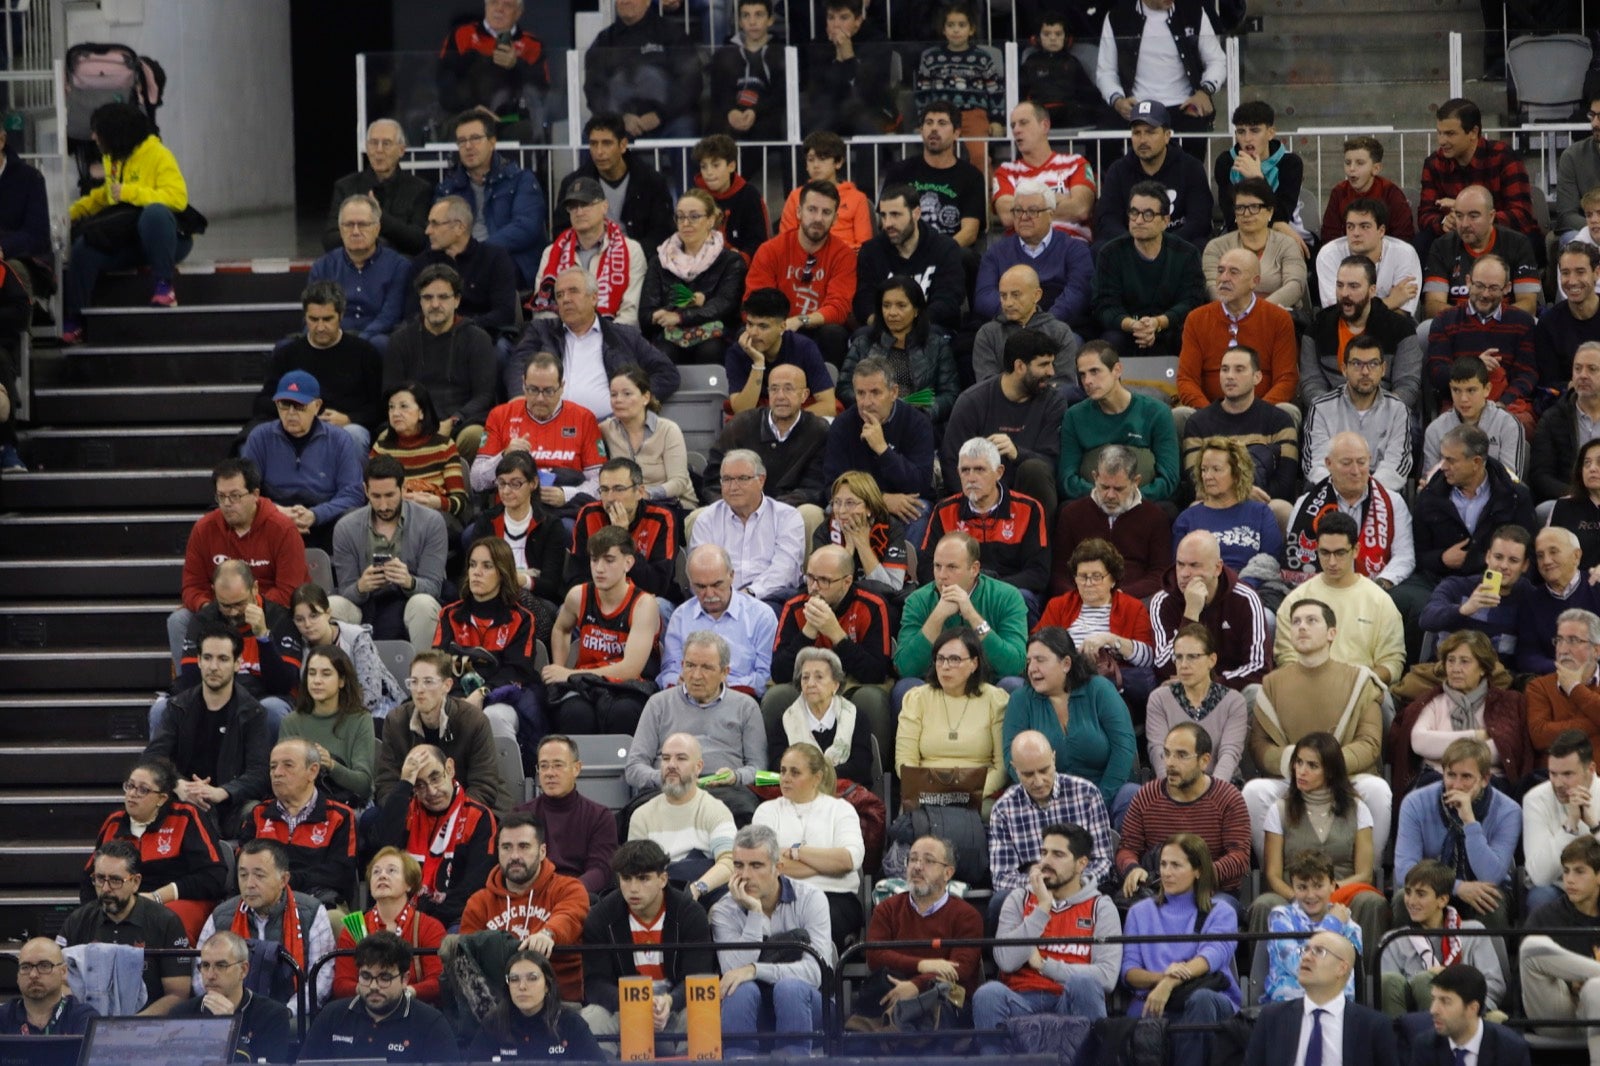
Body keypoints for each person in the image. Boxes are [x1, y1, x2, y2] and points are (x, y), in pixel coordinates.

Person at [1246, 601, 1390, 857]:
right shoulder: (1272, 683)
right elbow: (1259, 746)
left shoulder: (1359, 680)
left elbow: (1370, 743)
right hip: (1292, 778)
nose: (1302, 627)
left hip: (1345, 777)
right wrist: (1300, 767)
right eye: (1296, 622)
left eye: (1311, 621)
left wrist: (1325, 766)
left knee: (1378, 790)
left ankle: (1368, 878)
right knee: (1254, 792)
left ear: (1332, 633)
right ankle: (1273, 879)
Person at [972, 822, 1124, 1043]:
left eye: (1058, 854)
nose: (1045, 861)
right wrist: (1043, 907)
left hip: (1068, 1001)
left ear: (1081, 863)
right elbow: (1006, 961)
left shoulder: (1101, 907)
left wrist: (1045, 965)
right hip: (1020, 1002)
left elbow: (1107, 977)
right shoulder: (1018, 899)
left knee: (1084, 984)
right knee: (988, 994)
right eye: (1044, 852)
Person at [61, 102, 193, 344]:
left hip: (166, 239)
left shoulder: (157, 154)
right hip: (129, 240)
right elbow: (105, 195)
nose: (93, 136)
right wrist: (71, 213)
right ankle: (75, 320)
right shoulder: (113, 157)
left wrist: (132, 192)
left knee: (154, 214)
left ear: (115, 131)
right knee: (84, 248)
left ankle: (164, 286)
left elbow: (177, 198)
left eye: (97, 130)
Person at [171, 458, 309, 670]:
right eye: (221, 497)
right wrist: (213, 609)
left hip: (270, 612)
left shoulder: (283, 530)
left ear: (255, 495)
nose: (227, 503)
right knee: (179, 619)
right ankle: (187, 691)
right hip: (219, 610)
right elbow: (192, 587)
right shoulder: (203, 529)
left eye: (235, 496)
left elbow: (288, 591)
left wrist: (246, 607)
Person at [710, 823, 834, 1057]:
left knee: (790, 988)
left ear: (778, 867)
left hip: (806, 1007)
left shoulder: (811, 899)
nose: (745, 875)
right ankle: (738, 1059)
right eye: (739, 865)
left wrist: (755, 969)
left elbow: (815, 972)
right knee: (740, 990)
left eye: (756, 865)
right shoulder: (723, 910)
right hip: (750, 1008)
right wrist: (754, 914)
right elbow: (732, 974)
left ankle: (795, 1059)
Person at [578, 838, 715, 1047]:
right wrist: (634, 1002)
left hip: (676, 1006)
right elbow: (595, 982)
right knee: (591, 1017)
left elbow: (698, 975)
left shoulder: (690, 913)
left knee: (701, 1009)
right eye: (626, 878)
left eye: (643, 879)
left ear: (663, 879)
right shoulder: (601, 916)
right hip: (623, 1007)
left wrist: (670, 1001)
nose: (633, 889)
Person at [1119, 835, 1239, 1066]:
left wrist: (1170, 982)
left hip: (1209, 999)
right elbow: (1128, 972)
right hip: (1152, 1000)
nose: (1166, 872)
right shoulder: (1139, 912)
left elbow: (1211, 957)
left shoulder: (1221, 911)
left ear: (1198, 871)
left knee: (1201, 1000)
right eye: (1163, 864)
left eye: (1176, 865)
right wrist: (1162, 979)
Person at [625, 632, 768, 825]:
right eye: (690, 665)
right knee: (636, 815)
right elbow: (634, 767)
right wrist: (668, 775)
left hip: (724, 790)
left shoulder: (746, 706)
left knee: (746, 811)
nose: (696, 675)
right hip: (667, 787)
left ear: (725, 672)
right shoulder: (658, 704)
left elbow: (759, 769)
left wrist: (736, 777)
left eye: (707, 668)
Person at [145, 624, 273, 838]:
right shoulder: (178, 706)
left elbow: (259, 773)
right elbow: (152, 757)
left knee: (256, 814)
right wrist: (179, 785)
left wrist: (221, 792)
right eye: (207, 658)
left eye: (223, 659)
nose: (213, 666)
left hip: (232, 805)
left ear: (237, 663)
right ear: (198, 660)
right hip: (185, 801)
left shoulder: (253, 712)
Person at [83, 757, 227, 944]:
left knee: (164, 922)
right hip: (123, 901)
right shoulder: (114, 822)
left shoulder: (185, 816)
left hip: (180, 900)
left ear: (162, 798)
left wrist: (157, 897)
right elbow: (88, 879)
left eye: (143, 789)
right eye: (130, 786)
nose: (132, 794)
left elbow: (213, 876)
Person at [855, 833, 983, 1030]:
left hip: (942, 1002)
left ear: (948, 873)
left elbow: (960, 969)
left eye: (928, 861)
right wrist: (923, 964)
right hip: (892, 995)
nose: (917, 866)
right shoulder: (887, 908)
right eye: (913, 859)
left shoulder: (967, 915)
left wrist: (916, 986)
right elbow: (875, 955)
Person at [515, 267, 679, 419]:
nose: (565, 299)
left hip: (609, 430)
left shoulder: (624, 336)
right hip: (551, 428)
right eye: (559, 295)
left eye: (573, 291)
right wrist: (521, 398)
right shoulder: (541, 331)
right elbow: (516, 365)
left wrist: (636, 401)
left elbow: (667, 373)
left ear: (594, 297)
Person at [460, 813, 591, 1002]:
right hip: (501, 1007)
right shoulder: (478, 902)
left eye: (524, 846)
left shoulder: (568, 888)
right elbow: (468, 957)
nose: (514, 856)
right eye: (506, 847)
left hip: (561, 1003)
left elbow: (569, 916)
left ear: (543, 851)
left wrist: (548, 934)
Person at [1005, 628, 1137, 815]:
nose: (1032, 668)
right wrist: (1047, 799)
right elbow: (1011, 757)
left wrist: (1098, 802)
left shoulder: (1099, 689)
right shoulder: (1021, 700)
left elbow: (1124, 749)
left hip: (1105, 795)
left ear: (1066, 663)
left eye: (1040, 660)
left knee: (1131, 794)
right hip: (1044, 800)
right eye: (1029, 661)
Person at [544, 525, 661, 734]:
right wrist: (559, 668)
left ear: (628, 562)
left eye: (608, 560)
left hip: (627, 687)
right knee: (575, 713)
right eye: (594, 559)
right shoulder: (578, 595)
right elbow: (561, 629)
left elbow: (630, 670)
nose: (599, 568)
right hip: (584, 685)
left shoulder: (644, 604)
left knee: (623, 713)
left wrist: (569, 674)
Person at [193, 838, 334, 1011]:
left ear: (283, 879)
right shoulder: (221, 916)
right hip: (230, 1012)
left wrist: (286, 1013)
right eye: (243, 875)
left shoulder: (311, 912)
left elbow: (320, 979)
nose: (249, 884)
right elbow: (201, 975)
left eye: (259, 875)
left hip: (292, 1017)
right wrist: (228, 1008)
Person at [1393, 738, 1519, 929]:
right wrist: (1457, 887)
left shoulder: (1508, 811)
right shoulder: (1415, 803)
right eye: (1451, 775)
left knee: (1491, 902)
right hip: (1432, 888)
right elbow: (1405, 870)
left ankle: (1489, 959)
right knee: (1405, 898)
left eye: (1466, 777)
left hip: (1483, 888)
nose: (1457, 785)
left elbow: (1491, 875)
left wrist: (1469, 821)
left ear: (1485, 779)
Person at [1117, 723, 1251, 899]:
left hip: (1212, 892)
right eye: (1167, 754)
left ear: (1204, 761)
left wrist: (1196, 876)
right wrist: (1133, 868)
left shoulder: (1228, 798)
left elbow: (1239, 857)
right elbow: (1127, 849)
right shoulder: (1147, 795)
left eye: (1181, 755)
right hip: (1160, 890)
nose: (1170, 763)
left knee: (1221, 910)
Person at [920, 437, 1051, 617]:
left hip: (1008, 591)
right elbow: (926, 567)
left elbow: (1038, 573)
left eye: (979, 469)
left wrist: (987, 589)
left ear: (999, 472)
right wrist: (962, 590)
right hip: (957, 590)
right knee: (919, 599)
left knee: (1021, 598)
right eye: (965, 470)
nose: (971, 478)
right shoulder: (944, 510)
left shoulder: (1029, 509)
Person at [328, 456, 447, 651]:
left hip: (410, 601)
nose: (383, 505)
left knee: (424, 604)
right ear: (366, 491)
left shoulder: (430, 522)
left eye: (390, 495)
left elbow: (434, 588)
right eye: (376, 496)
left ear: (403, 488)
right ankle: (343, 677)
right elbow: (345, 591)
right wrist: (361, 586)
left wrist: (409, 581)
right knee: (331, 606)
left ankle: (422, 675)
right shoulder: (346, 528)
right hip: (366, 605)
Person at [371, 744, 497, 929]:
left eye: (435, 778)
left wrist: (427, 924)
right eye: (419, 785)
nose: (431, 791)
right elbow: (383, 852)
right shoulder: (404, 812)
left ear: (450, 768)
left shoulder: (478, 817)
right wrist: (404, 783)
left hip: (454, 918)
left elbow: (474, 888)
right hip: (402, 916)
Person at [752, 742, 866, 948]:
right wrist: (824, 864)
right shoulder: (766, 811)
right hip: (780, 898)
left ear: (817, 778)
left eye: (795, 773)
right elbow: (763, 865)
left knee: (811, 931)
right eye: (783, 771)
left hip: (835, 899)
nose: (785, 778)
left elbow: (848, 860)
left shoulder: (841, 809)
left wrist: (796, 852)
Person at [57, 841, 190, 1015]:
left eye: (115, 880)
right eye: (99, 879)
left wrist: (131, 1026)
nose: (106, 888)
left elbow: (178, 994)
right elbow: (56, 981)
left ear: (135, 882)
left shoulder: (166, 922)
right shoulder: (78, 920)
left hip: (148, 1027)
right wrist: (87, 1019)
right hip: (88, 1024)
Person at [241, 371, 368, 553]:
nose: (291, 413)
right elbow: (246, 491)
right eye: (284, 405)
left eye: (299, 406)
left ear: (317, 406)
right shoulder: (260, 437)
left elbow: (353, 494)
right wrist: (277, 512)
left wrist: (315, 515)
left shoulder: (340, 439)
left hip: (326, 520)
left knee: (354, 518)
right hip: (273, 518)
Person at [434, 537, 543, 746]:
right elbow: (439, 664)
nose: (477, 572)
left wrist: (482, 692)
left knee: (493, 716)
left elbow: (517, 671)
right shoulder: (449, 615)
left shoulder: (522, 619)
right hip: (455, 695)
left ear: (502, 573)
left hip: (502, 699)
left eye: (487, 566)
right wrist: (459, 698)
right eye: (473, 565)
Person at [1276, 511, 1405, 686]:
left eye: (1340, 553)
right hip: (1308, 688)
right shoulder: (1296, 600)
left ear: (1356, 550)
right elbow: (1287, 658)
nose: (1332, 562)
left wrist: (1358, 682)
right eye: (1325, 553)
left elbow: (1392, 663)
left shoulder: (1379, 601)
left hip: (1363, 689)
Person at [382, 264, 499, 458]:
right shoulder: (400, 340)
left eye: (443, 297)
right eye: (428, 297)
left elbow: (484, 395)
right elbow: (391, 393)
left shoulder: (478, 339)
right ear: (420, 301)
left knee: (476, 436)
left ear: (457, 300)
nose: (435, 304)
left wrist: (454, 420)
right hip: (413, 421)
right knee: (386, 436)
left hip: (462, 423)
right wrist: (416, 423)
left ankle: (464, 487)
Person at [1394, 630, 1529, 794]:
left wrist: (1441, 748)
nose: (1455, 668)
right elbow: (1419, 741)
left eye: (1464, 661)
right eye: (1450, 661)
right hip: (1438, 780)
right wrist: (1476, 736)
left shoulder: (1506, 702)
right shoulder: (1433, 701)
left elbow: (1502, 751)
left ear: (1482, 668)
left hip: (1489, 782)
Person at [253, 280, 386, 446]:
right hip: (296, 426)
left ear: (341, 315)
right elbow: (263, 402)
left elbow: (379, 406)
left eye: (327, 319)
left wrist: (349, 418)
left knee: (354, 434)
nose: (320, 327)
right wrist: (299, 414)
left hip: (347, 427)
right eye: (313, 319)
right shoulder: (287, 354)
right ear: (305, 317)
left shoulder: (365, 353)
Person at [1409, 424, 1537, 596]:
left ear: (1476, 462)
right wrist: (1442, 559)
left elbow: (1528, 554)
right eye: (1443, 458)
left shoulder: (1514, 497)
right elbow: (1418, 554)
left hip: (1499, 587)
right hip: (1441, 585)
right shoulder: (1430, 496)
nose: (1443, 466)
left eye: (1451, 460)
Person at [376, 648, 510, 809]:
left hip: (468, 809)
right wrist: (412, 814)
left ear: (447, 685)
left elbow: (483, 786)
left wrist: (447, 820)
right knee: (371, 821)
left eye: (428, 681)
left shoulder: (474, 720)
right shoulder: (396, 721)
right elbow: (386, 783)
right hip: (416, 809)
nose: (419, 690)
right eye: (413, 682)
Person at [825, 358, 938, 548]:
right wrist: (880, 500)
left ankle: (905, 575)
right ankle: (842, 572)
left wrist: (882, 450)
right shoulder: (843, 425)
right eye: (861, 393)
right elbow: (832, 485)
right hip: (857, 503)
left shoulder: (917, 422)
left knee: (920, 510)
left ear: (893, 392)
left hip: (902, 505)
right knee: (834, 509)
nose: (867, 402)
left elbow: (920, 484)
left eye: (875, 393)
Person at [1283, 432, 1415, 596]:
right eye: (1346, 463)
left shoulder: (1393, 502)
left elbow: (1404, 556)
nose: (1356, 471)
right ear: (1328, 463)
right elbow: (1295, 552)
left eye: (1362, 462)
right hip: (1320, 592)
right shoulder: (1305, 504)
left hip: (1377, 593)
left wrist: (1380, 584)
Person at [895, 532, 1030, 691]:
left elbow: (1015, 666)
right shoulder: (918, 600)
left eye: (952, 567)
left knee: (1014, 685)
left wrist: (972, 616)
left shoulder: (1007, 596)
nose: (942, 576)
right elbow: (905, 668)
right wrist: (937, 617)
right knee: (905, 688)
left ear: (974, 569)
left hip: (989, 687)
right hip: (936, 688)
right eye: (937, 566)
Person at [469, 351, 606, 506]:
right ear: (523, 384)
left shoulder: (584, 418)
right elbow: (476, 481)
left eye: (548, 391)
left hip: (562, 511)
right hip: (511, 509)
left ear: (561, 387)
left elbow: (601, 483)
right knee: (472, 531)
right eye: (533, 389)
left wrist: (566, 495)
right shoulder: (500, 415)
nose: (540, 398)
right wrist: (504, 456)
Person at [1038, 538, 1157, 713]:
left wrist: (1110, 639)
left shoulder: (1132, 607)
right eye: (1083, 577)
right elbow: (1037, 646)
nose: (1088, 583)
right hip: (1065, 677)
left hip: (1111, 686)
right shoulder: (1058, 605)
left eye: (1097, 577)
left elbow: (1147, 658)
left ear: (1113, 579)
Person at [745, 179, 857, 365]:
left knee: (834, 333)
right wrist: (778, 325)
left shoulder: (843, 255)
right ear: (798, 212)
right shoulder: (770, 250)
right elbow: (754, 301)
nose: (818, 218)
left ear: (835, 219)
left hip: (817, 327)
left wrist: (800, 320)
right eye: (812, 209)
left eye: (826, 212)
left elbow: (839, 308)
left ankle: (830, 393)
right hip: (775, 327)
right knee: (749, 333)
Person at [1244, 930, 1397, 1065]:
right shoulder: (1272, 1017)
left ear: (1342, 968)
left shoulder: (1373, 1026)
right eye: (1305, 950)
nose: (1306, 957)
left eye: (1319, 951)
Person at [298, 931, 458, 1061]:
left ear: (405, 979)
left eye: (384, 978)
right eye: (366, 977)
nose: (373, 986)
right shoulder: (331, 1016)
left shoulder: (431, 1024)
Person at [1180, 345, 1300, 517]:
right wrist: (1241, 491)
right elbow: (1196, 484)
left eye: (1239, 369)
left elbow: (1284, 485)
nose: (1230, 376)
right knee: (1195, 507)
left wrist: (1239, 493)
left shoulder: (1279, 421)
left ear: (1257, 377)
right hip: (1214, 504)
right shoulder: (1198, 423)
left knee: (1282, 508)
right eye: (1224, 369)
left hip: (1261, 506)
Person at [435, 107, 547, 289]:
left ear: (492, 142)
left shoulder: (520, 180)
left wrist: (477, 252)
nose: (468, 146)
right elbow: (438, 230)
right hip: (460, 262)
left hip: (507, 261)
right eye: (462, 141)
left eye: (475, 139)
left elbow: (526, 227)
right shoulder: (448, 189)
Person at [1091, 181, 1207, 357]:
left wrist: (1158, 322)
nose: (1138, 220)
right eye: (1134, 212)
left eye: (1148, 214)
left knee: (1189, 336)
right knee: (1110, 342)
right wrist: (1133, 325)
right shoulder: (1110, 253)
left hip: (1171, 327)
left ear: (1165, 220)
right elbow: (1104, 304)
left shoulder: (1186, 253)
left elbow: (1192, 301)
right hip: (1126, 329)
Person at [238, 739, 358, 909]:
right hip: (261, 899)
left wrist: (286, 880)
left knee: (335, 921)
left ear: (312, 771)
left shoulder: (339, 816)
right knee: (221, 920)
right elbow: (241, 862)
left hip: (319, 901)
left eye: (288, 765)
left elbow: (340, 873)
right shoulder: (259, 814)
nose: (277, 773)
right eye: (273, 767)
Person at [1424, 256, 1538, 434]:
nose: (1485, 294)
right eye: (1479, 286)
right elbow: (1437, 371)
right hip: (1459, 401)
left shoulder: (1522, 322)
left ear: (1507, 288)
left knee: (1522, 424)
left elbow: (1528, 374)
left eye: (1493, 288)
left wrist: (1501, 404)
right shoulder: (1445, 320)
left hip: (1508, 403)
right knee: (1446, 428)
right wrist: (1474, 367)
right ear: (1468, 282)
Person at [1381, 858, 1507, 1019]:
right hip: (1411, 1023)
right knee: (1407, 980)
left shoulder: (1473, 932)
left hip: (1467, 1020)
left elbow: (1494, 985)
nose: (1411, 901)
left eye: (1421, 894)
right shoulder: (1394, 940)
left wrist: (1460, 1003)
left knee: (1426, 980)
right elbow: (1387, 992)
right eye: (1408, 892)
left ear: (1442, 900)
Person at [1059, 340, 1182, 502]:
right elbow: (1067, 480)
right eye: (1082, 374)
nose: (1087, 381)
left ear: (1117, 370)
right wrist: (1106, 496)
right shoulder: (1074, 416)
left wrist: (1129, 498)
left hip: (1144, 505)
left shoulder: (1157, 413)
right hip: (1092, 504)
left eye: (1095, 371)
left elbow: (1169, 478)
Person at [1150, 530, 1273, 689]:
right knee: (1163, 692)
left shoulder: (1245, 598)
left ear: (1217, 568)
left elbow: (1260, 667)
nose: (1184, 574)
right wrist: (1190, 613)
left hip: (1230, 691)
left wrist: (1209, 685)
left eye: (1194, 565)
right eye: (1180, 564)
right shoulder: (1162, 601)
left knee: (1255, 691)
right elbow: (1163, 667)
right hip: (1183, 692)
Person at [896, 627, 1010, 800]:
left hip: (979, 795)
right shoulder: (917, 699)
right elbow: (905, 762)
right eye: (940, 659)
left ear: (974, 663)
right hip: (926, 794)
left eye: (955, 659)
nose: (945, 666)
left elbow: (1002, 767)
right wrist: (929, 792)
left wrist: (968, 794)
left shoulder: (995, 700)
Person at [640, 189, 747, 368]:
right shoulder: (660, 261)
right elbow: (646, 313)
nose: (686, 223)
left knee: (711, 350)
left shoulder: (730, 261)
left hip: (716, 335)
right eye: (680, 217)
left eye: (694, 216)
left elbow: (725, 305)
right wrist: (662, 315)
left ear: (711, 220)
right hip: (670, 336)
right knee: (663, 353)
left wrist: (680, 317)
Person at [688, 452, 805, 615]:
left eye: (742, 479)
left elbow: (786, 571)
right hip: (717, 599)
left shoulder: (786, 517)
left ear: (761, 480)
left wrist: (749, 594)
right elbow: (700, 568)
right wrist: (727, 598)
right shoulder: (707, 519)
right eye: (727, 479)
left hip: (768, 599)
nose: (733, 487)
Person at [1418, 98, 1540, 253]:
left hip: (1501, 235)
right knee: (1422, 241)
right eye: (1439, 133)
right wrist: (1444, 222)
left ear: (1473, 132)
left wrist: (1474, 217)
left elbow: (1521, 215)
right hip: (1456, 236)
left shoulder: (1504, 156)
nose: (1442, 141)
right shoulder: (1434, 163)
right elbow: (1425, 215)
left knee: (1530, 242)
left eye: (1450, 134)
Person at [1302, 254, 1424, 409]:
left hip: (1387, 413)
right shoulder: (1317, 328)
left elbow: (1407, 385)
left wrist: (1377, 413)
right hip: (1331, 415)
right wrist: (1333, 412)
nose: (1344, 293)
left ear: (1372, 290)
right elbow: (1311, 383)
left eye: (1353, 286)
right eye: (1340, 285)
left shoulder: (1401, 329)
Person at [973, 180, 1095, 335]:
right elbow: (983, 296)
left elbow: (1078, 293)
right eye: (1018, 210)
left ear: (1051, 214)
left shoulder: (1075, 249)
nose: (1024, 217)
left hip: (1059, 329)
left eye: (1033, 211)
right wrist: (1018, 317)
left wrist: (1043, 323)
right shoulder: (996, 252)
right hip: (1008, 328)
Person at [1518, 836, 1600, 1063]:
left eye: (1579, 871)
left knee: (1595, 988)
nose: (1569, 880)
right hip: (1557, 1012)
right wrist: (1571, 982)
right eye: (1565, 871)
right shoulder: (1545, 915)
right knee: (1531, 948)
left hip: (1596, 1005)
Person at [839, 276, 961, 427]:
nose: (892, 313)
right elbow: (844, 387)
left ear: (916, 310)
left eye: (901, 306)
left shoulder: (937, 346)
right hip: (870, 420)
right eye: (886, 305)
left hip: (918, 423)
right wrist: (873, 405)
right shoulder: (863, 344)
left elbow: (950, 394)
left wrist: (924, 413)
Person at [627, 732, 739, 898]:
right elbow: (635, 872)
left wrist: (696, 889)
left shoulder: (716, 810)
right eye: (665, 758)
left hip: (706, 896)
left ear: (698, 767)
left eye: (681, 758)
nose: (671, 765)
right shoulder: (641, 815)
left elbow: (730, 862)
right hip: (657, 899)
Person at [1053, 444, 1172, 599]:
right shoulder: (1071, 514)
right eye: (1104, 487)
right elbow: (1059, 575)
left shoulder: (1155, 517)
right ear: (1095, 477)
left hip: (1134, 602)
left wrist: (1118, 597)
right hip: (1081, 601)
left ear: (1136, 481)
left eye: (1118, 489)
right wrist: (1079, 598)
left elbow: (1160, 575)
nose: (1110, 495)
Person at [705, 362, 831, 508]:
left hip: (791, 511)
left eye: (788, 389)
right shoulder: (741, 425)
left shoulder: (818, 430)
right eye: (774, 389)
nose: (780, 396)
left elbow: (814, 487)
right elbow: (714, 481)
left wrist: (769, 510)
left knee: (810, 513)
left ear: (804, 395)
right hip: (739, 509)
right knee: (696, 518)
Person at [330, 849, 446, 1003]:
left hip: (413, 1013)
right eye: (376, 872)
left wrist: (406, 992)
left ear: (409, 884)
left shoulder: (429, 927)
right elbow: (341, 984)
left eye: (392, 871)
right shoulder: (354, 927)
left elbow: (439, 981)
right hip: (365, 1014)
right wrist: (368, 991)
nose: (382, 875)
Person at [1094, 100, 1214, 247]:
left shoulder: (1190, 168)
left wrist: (1162, 244)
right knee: (1099, 248)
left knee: (1201, 246)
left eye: (1150, 132)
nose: (1143, 140)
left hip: (1176, 247)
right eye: (1137, 133)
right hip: (1131, 247)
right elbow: (1107, 218)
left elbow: (1199, 219)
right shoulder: (1118, 170)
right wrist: (1136, 244)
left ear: (1167, 135)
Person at [532, 178, 647, 329]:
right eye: (573, 206)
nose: (579, 212)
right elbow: (543, 309)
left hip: (616, 340)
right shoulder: (552, 253)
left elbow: (630, 313)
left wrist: (601, 339)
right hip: (561, 338)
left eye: (586, 204)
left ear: (604, 206)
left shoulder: (632, 250)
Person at [1414, 517, 1532, 664]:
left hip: (1496, 679)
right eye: (1498, 557)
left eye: (1513, 560)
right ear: (1488, 557)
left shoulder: (1530, 597)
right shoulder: (1456, 586)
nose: (1503, 565)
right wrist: (1463, 610)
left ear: (1525, 565)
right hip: (1444, 672)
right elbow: (1426, 619)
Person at [553, 113, 676, 253]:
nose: (599, 152)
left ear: (623, 145)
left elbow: (662, 233)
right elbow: (561, 233)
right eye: (593, 144)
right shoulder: (573, 184)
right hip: (588, 259)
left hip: (638, 260)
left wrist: (630, 254)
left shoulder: (651, 182)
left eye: (607, 143)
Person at [854, 184, 967, 334]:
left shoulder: (945, 248)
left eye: (895, 215)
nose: (887, 224)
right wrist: (885, 324)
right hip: (885, 329)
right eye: (883, 215)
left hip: (930, 328)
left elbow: (948, 300)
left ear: (916, 213)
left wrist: (910, 325)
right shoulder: (871, 251)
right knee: (862, 335)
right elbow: (863, 301)